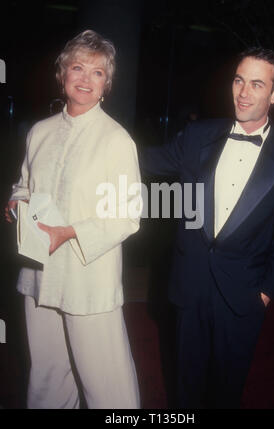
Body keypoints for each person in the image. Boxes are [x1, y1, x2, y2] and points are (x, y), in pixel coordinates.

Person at [141, 47, 274, 408]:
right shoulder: (198, 134)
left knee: (226, 393)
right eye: (239, 80)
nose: (243, 92)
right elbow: (143, 161)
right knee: (183, 389)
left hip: (243, 298)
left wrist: (267, 291)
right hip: (189, 286)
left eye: (256, 84)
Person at [4, 30, 141, 409]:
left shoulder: (117, 140)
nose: (85, 78)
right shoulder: (39, 132)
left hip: (88, 275)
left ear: (106, 84)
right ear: (62, 75)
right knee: (47, 374)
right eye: (77, 67)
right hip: (39, 270)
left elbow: (128, 216)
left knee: (106, 385)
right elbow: (24, 183)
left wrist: (69, 232)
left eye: (97, 72)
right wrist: (17, 202)